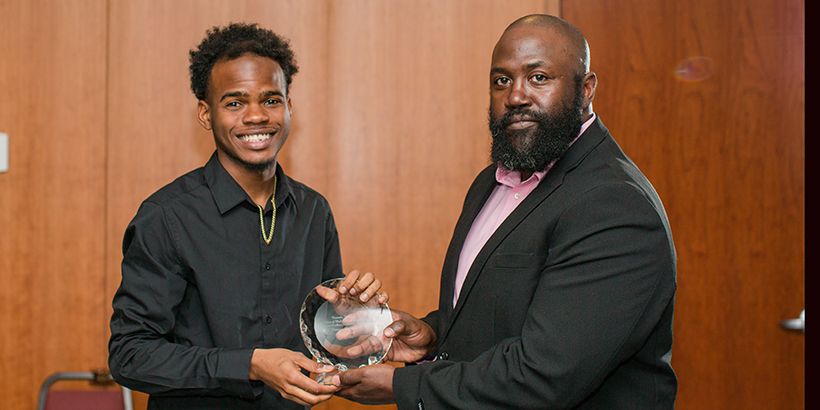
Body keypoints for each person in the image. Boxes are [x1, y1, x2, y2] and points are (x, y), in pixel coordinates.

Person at [334, 14, 677, 410]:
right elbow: (503, 313)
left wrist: (405, 386)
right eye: (502, 80)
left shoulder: (615, 205)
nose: (515, 96)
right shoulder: (492, 182)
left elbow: (545, 374)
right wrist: (432, 334)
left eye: (538, 78)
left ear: (586, 90)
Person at [108, 23, 386, 409]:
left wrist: (356, 332)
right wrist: (250, 365)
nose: (256, 116)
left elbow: (322, 341)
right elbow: (130, 356)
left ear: (289, 107)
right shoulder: (167, 217)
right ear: (206, 114)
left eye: (271, 100)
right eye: (234, 103)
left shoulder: (314, 211)